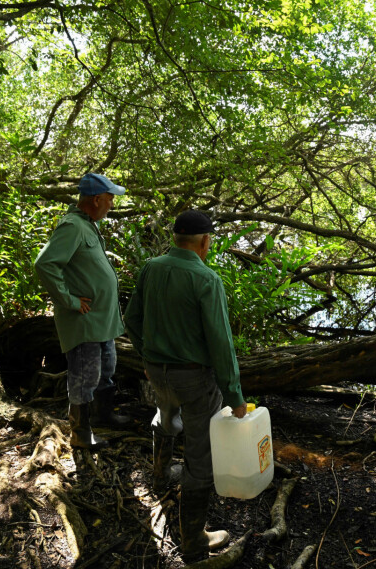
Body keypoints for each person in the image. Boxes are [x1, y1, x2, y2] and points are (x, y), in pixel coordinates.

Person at [124, 209, 247, 564]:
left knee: (165, 416)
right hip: (194, 379)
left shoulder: (152, 267)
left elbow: (132, 318)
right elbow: (221, 345)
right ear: (205, 241)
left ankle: (160, 473)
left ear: (175, 237)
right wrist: (235, 395)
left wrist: (148, 357)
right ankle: (194, 539)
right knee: (200, 456)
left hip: (157, 373)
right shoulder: (206, 279)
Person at [34, 172, 131, 450]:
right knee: (84, 376)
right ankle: (81, 433)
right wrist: (70, 301)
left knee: (107, 370)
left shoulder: (88, 225)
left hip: (102, 320)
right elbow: (45, 264)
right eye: (110, 199)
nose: (112, 204)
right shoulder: (73, 226)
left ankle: (104, 416)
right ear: (97, 199)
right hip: (84, 320)